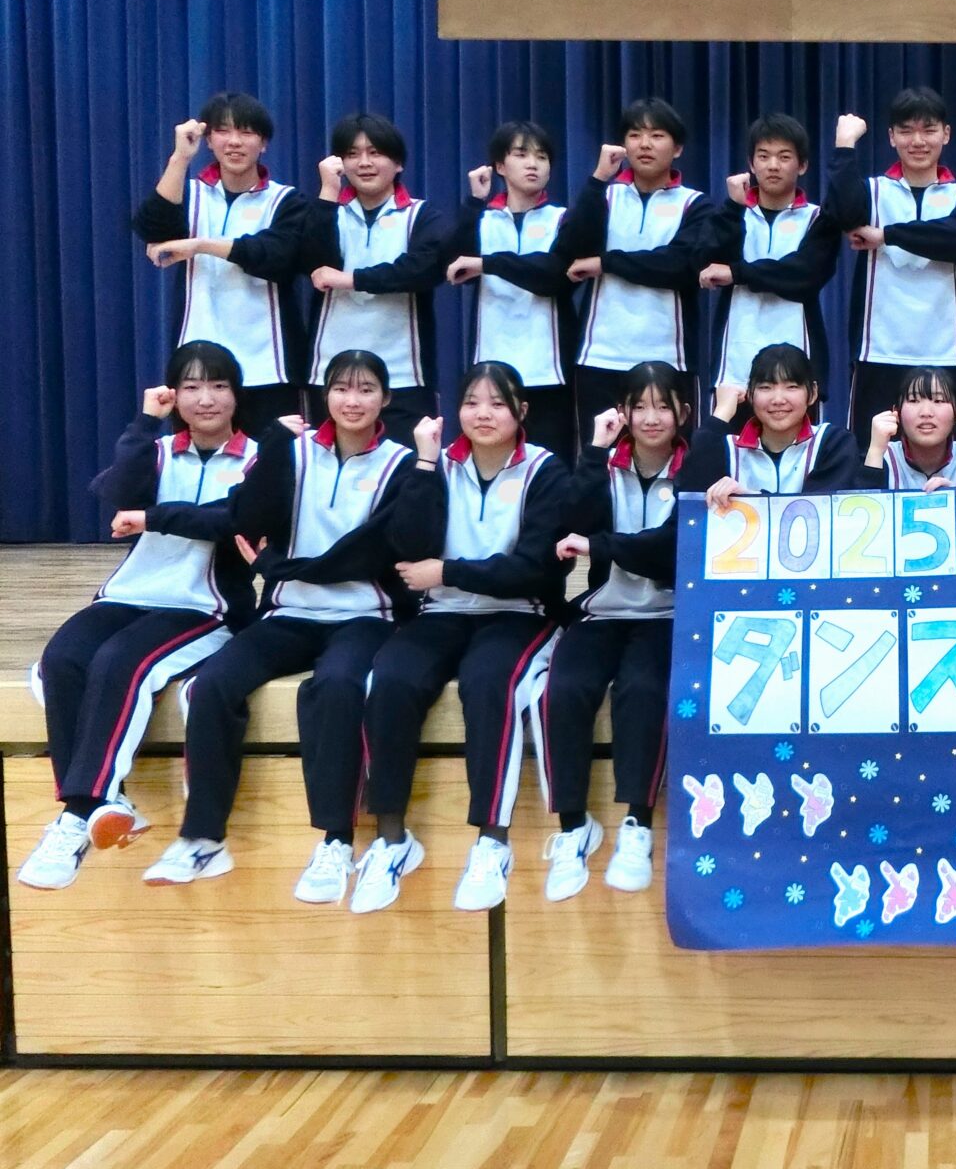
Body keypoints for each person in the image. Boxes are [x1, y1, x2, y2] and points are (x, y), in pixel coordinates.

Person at [144, 350, 414, 892]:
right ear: (324, 396)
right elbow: (246, 517)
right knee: (212, 683)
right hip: (289, 611)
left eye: (365, 390)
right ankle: (203, 837)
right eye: (341, 389)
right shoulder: (293, 453)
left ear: (385, 399)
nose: (352, 401)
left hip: (366, 616)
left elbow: (370, 552)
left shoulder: (401, 464)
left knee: (335, 686)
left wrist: (275, 565)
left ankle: (336, 841)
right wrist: (271, 449)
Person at [17, 344, 257, 890]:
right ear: (174, 395)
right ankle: (109, 801)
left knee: (123, 662)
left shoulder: (259, 459)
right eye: (191, 387)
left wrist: (153, 516)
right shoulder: (158, 449)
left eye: (218, 385)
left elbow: (233, 518)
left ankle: (79, 814)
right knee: (62, 660)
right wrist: (144, 422)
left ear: (236, 394)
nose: (205, 398)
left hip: (205, 606)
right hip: (129, 594)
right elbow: (116, 491)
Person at [353, 362, 569, 915]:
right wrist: (425, 463)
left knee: (488, 682)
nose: (483, 414)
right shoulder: (435, 466)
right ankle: (392, 839)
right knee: (390, 679)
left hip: (519, 613)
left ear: (522, 411)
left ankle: (492, 842)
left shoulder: (546, 470)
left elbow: (535, 570)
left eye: (497, 403)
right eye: (472, 402)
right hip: (441, 612)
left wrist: (448, 571)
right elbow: (408, 546)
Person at [539, 362, 690, 899]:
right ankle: (572, 826)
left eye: (663, 406)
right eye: (639, 406)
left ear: (682, 413)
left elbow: (668, 549)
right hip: (604, 610)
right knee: (563, 688)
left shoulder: (697, 468)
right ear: (622, 411)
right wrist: (594, 449)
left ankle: (637, 824)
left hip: (668, 614)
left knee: (643, 689)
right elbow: (571, 520)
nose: (651, 418)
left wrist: (600, 545)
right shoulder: (605, 465)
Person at [132, 93, 310, 431]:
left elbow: (277, 256)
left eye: (246, 132)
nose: (234, 142)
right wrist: (180, 158)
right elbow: (152, 228)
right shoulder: (190, 193)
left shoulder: (287, 200)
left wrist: (200, 245)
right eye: (223, 131)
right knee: (198, 456)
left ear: (264, 143)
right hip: (197, 364)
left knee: (275, 459)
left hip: (269, 367)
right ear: (209, 140)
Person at [830, 88, 956, 443]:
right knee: (870, 455)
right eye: (906, 131)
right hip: (878, 351)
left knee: (955, 460)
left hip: (947, 352)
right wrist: (844, 145)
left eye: (928, 130)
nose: (917, 141)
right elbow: (842, 213)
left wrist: (885, 235)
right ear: (891, 137)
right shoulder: (871, 191)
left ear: (946, 134)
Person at [563, 98, 713, 444]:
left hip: (670, 356)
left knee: (676, 458)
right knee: (598, 457)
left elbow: (679, 265)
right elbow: (571, 247)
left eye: (657, 135)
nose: (644, 144)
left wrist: (606, 263)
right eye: (634, 135)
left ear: (677, 148)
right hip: (599, 355)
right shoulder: (604, 197)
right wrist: (598, 179)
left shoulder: (695, 204)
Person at [304, 114, 455, 431]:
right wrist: (328, 192)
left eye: (375, 153)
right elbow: (312, 261)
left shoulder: (421, 215)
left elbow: (424, 269)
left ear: (398, 163)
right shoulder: (327, 211)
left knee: (410, 460)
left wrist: (352, 279)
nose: (364, 163)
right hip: (330, 373)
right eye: (352, 154)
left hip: (404, 376)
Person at [447, 120, 580, 456]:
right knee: (491, 459)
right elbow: (452, 266)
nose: (533, 164)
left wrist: (488, 263)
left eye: (542, 157)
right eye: (521, 155)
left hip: (549, 370)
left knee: (551, 464)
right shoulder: (481, 219)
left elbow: (553, 276)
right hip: (491, 364)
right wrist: (474, 203)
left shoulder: (564, 219)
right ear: (500, 166)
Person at [702, 113, 841, 401]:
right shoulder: (731, 215)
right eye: (763, 156)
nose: (773, 165)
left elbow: (804, 276)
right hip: (734, 363)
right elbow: (707, 263)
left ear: (802, 165)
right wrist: (732, 208)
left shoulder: (818, 218)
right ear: (751, 164)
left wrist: (737, 273)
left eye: (784, 157)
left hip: (800, 362)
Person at [693, 344, 862, 507]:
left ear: (813, 393)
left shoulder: (834, 443)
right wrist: (721, 413)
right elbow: (690, 497)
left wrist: (747, 498)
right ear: (750, 394)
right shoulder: (728, 448)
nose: (778, 400)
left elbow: (821, 509)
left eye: (791, 387)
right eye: (766, 387)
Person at [858, 366, 956, 490]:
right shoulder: (883, 457)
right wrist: (875, 450)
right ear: (897, 412)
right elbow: (861, 502)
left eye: (938, 401)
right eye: (913, 400)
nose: (926, 412)